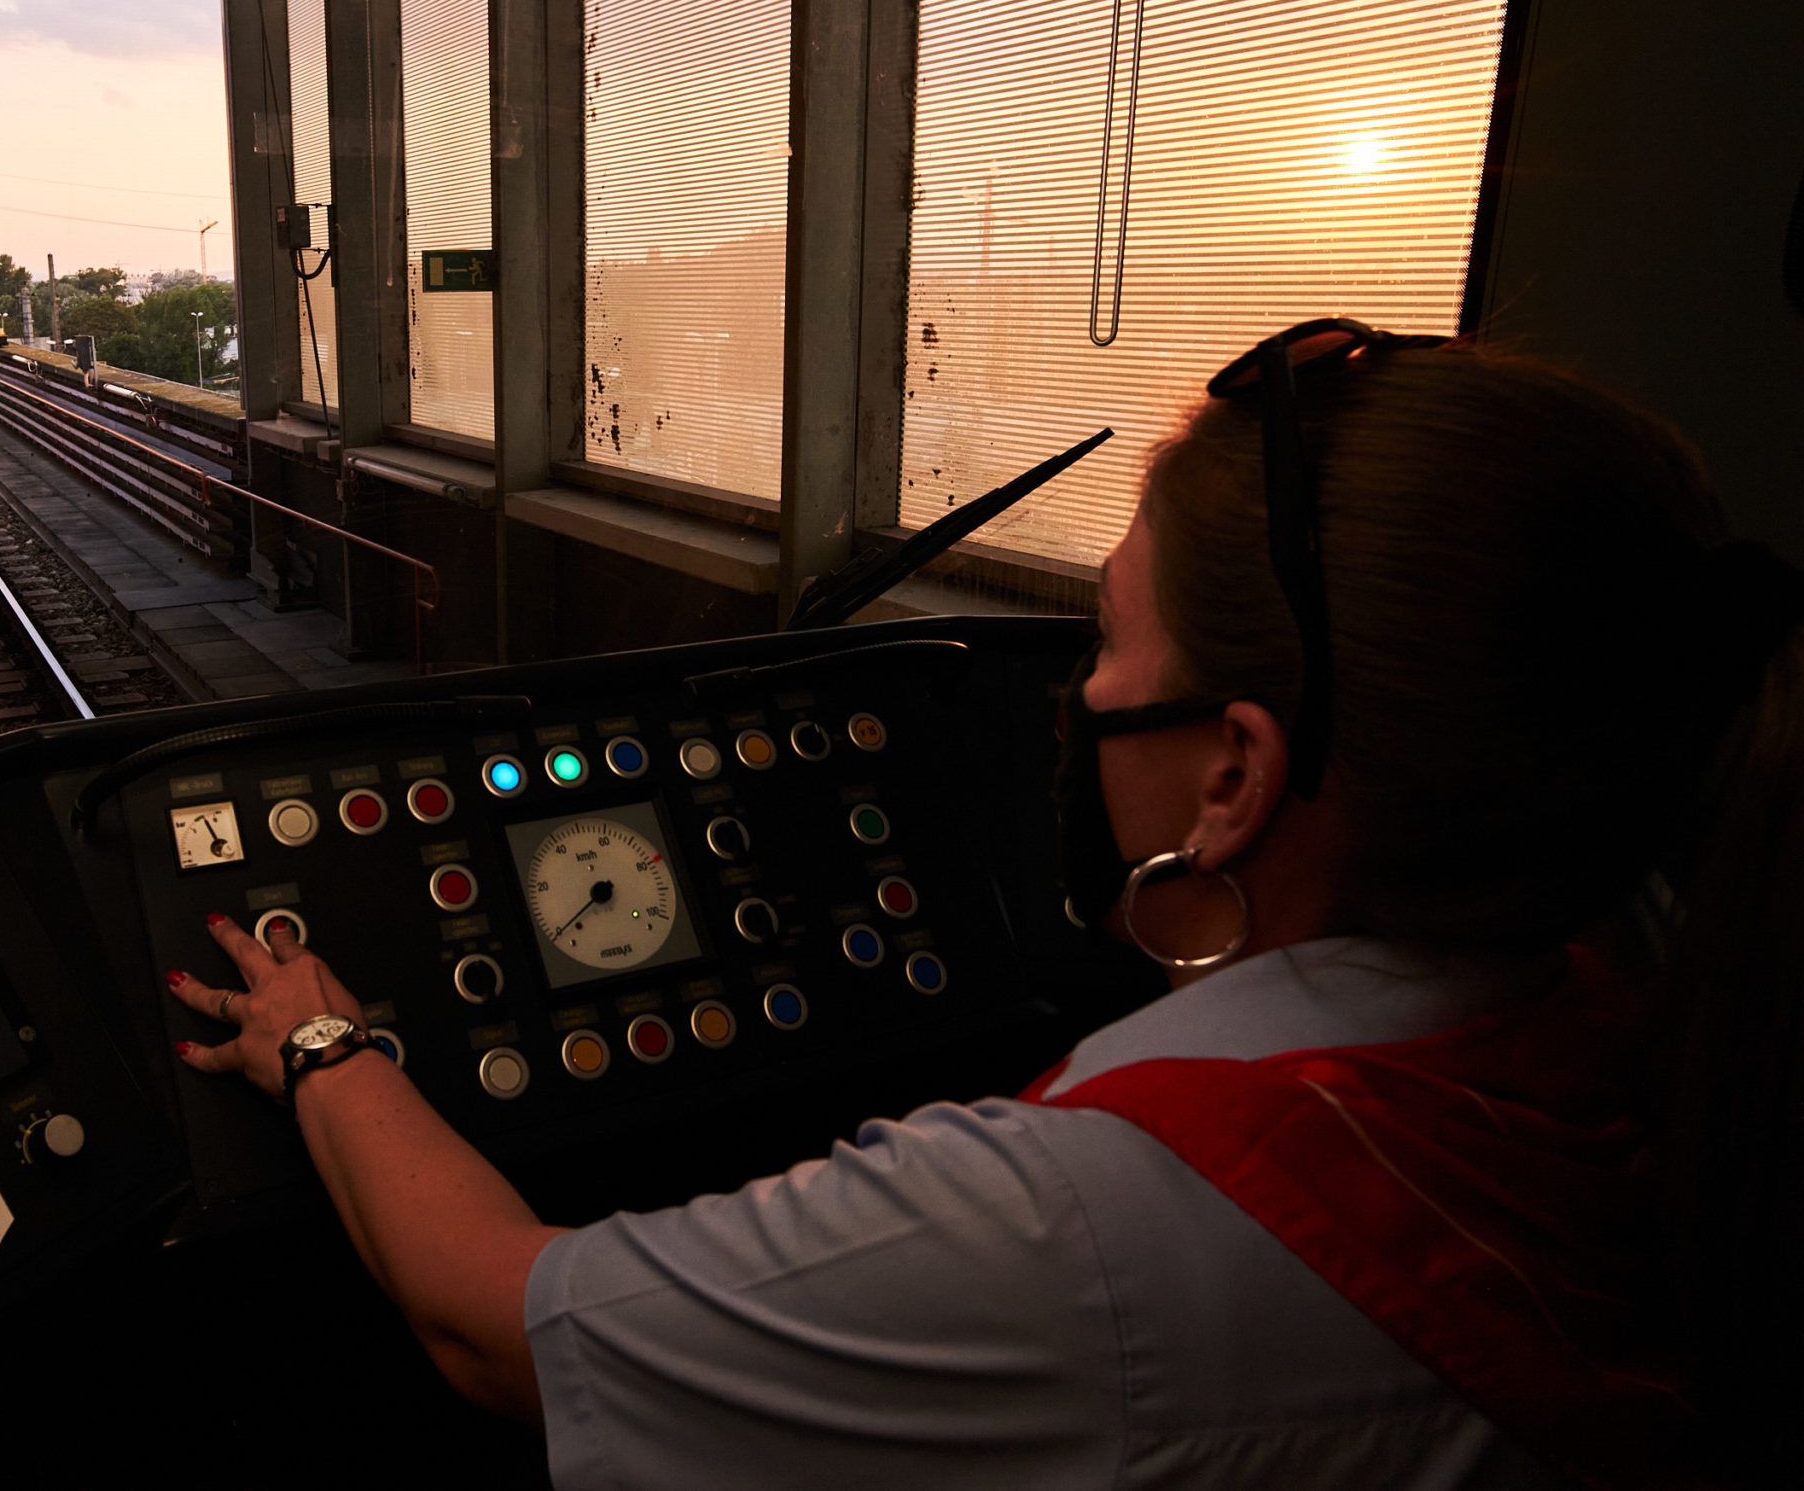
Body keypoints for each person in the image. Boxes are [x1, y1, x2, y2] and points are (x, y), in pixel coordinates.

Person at [166, 322, 1804, 1489]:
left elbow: (487, 1324)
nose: (1080, 698)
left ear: (1235, 778)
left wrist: (325, 1044)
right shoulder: (1630, 1014)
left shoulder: (1081, 1230)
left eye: (1109, 651)